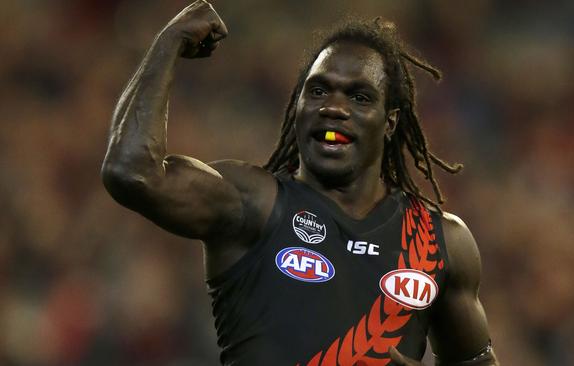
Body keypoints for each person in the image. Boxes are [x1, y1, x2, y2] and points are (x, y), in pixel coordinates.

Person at [101, 1, 499, 365]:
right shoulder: (250, 204)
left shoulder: (439, 241)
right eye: (319, 91)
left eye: (359, 97)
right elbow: (131, 172)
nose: (334, 108)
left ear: (390, 122)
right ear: (297, 108)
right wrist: (168, 42)